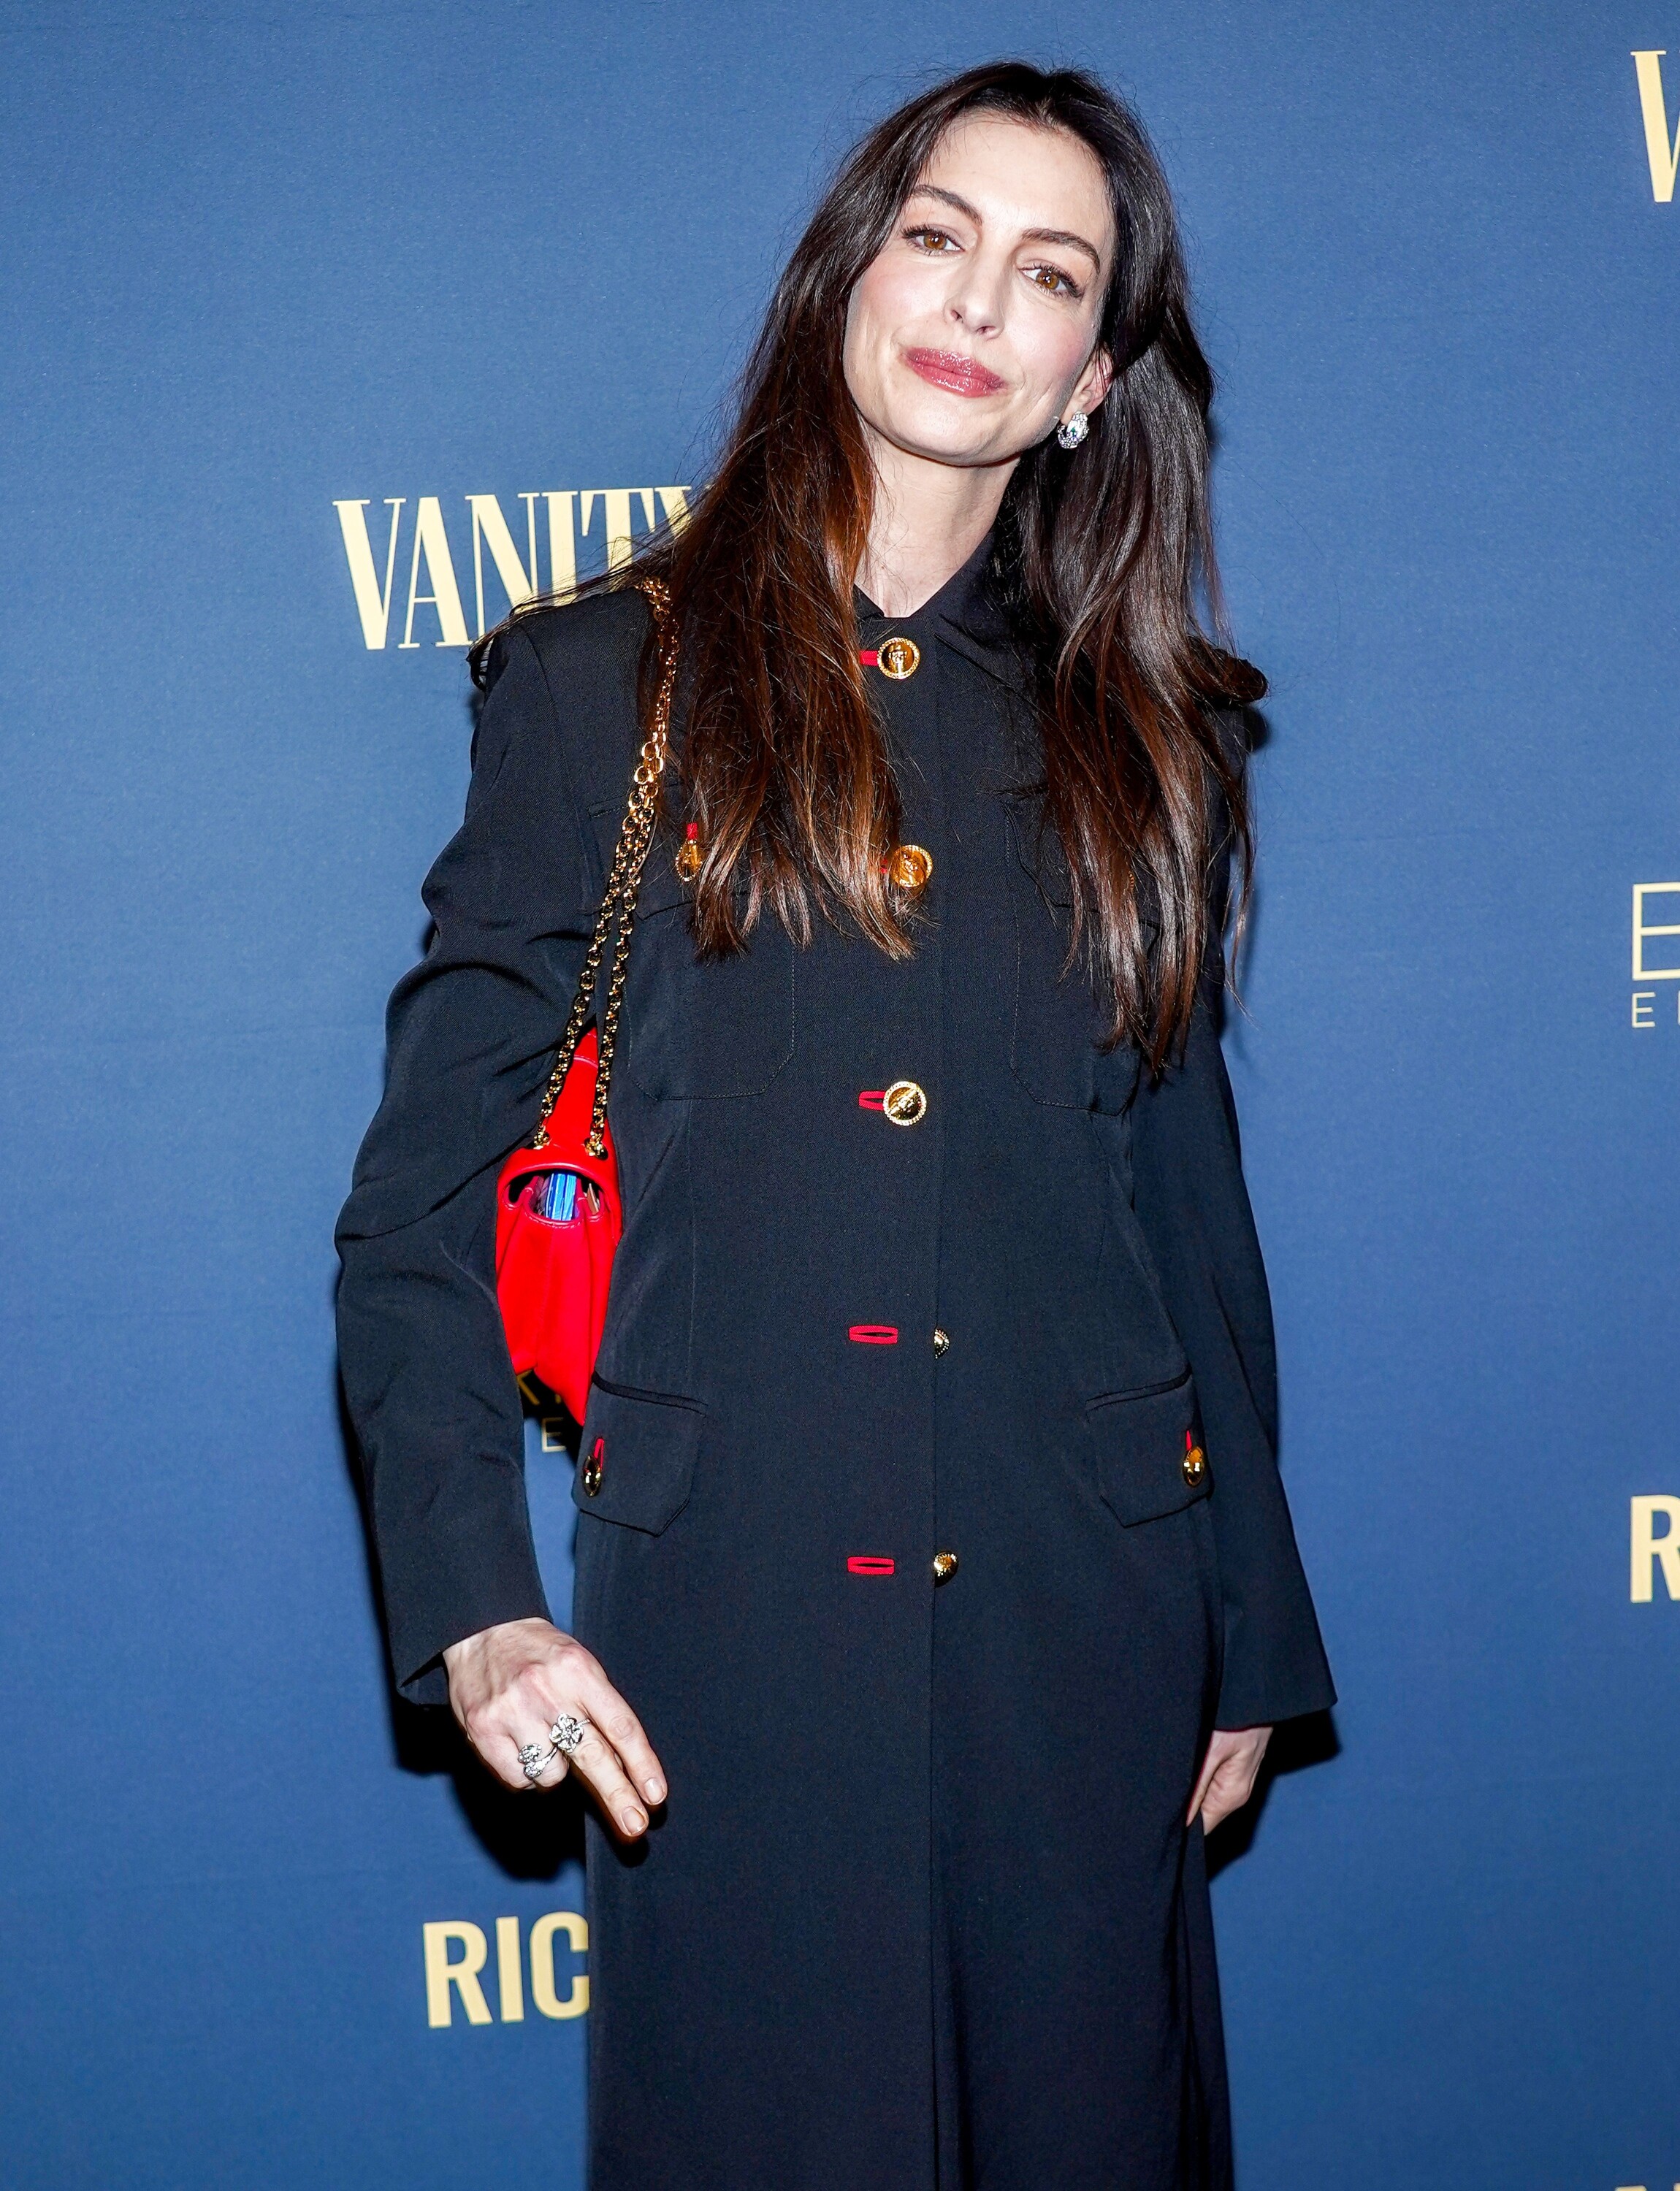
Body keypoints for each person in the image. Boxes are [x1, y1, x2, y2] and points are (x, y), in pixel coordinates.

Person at [337, 58, 1333, 2190]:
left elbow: (1182, 1199)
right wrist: (477, 1599)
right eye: (937, 236)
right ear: (847, 280)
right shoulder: (605, 682)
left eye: (1049, 274)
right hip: (727, 1641)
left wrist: (1248, 1623)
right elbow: (419, 1199)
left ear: (1090, 379)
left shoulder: (1151, 731)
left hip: (1088, 1622)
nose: (977, 300)